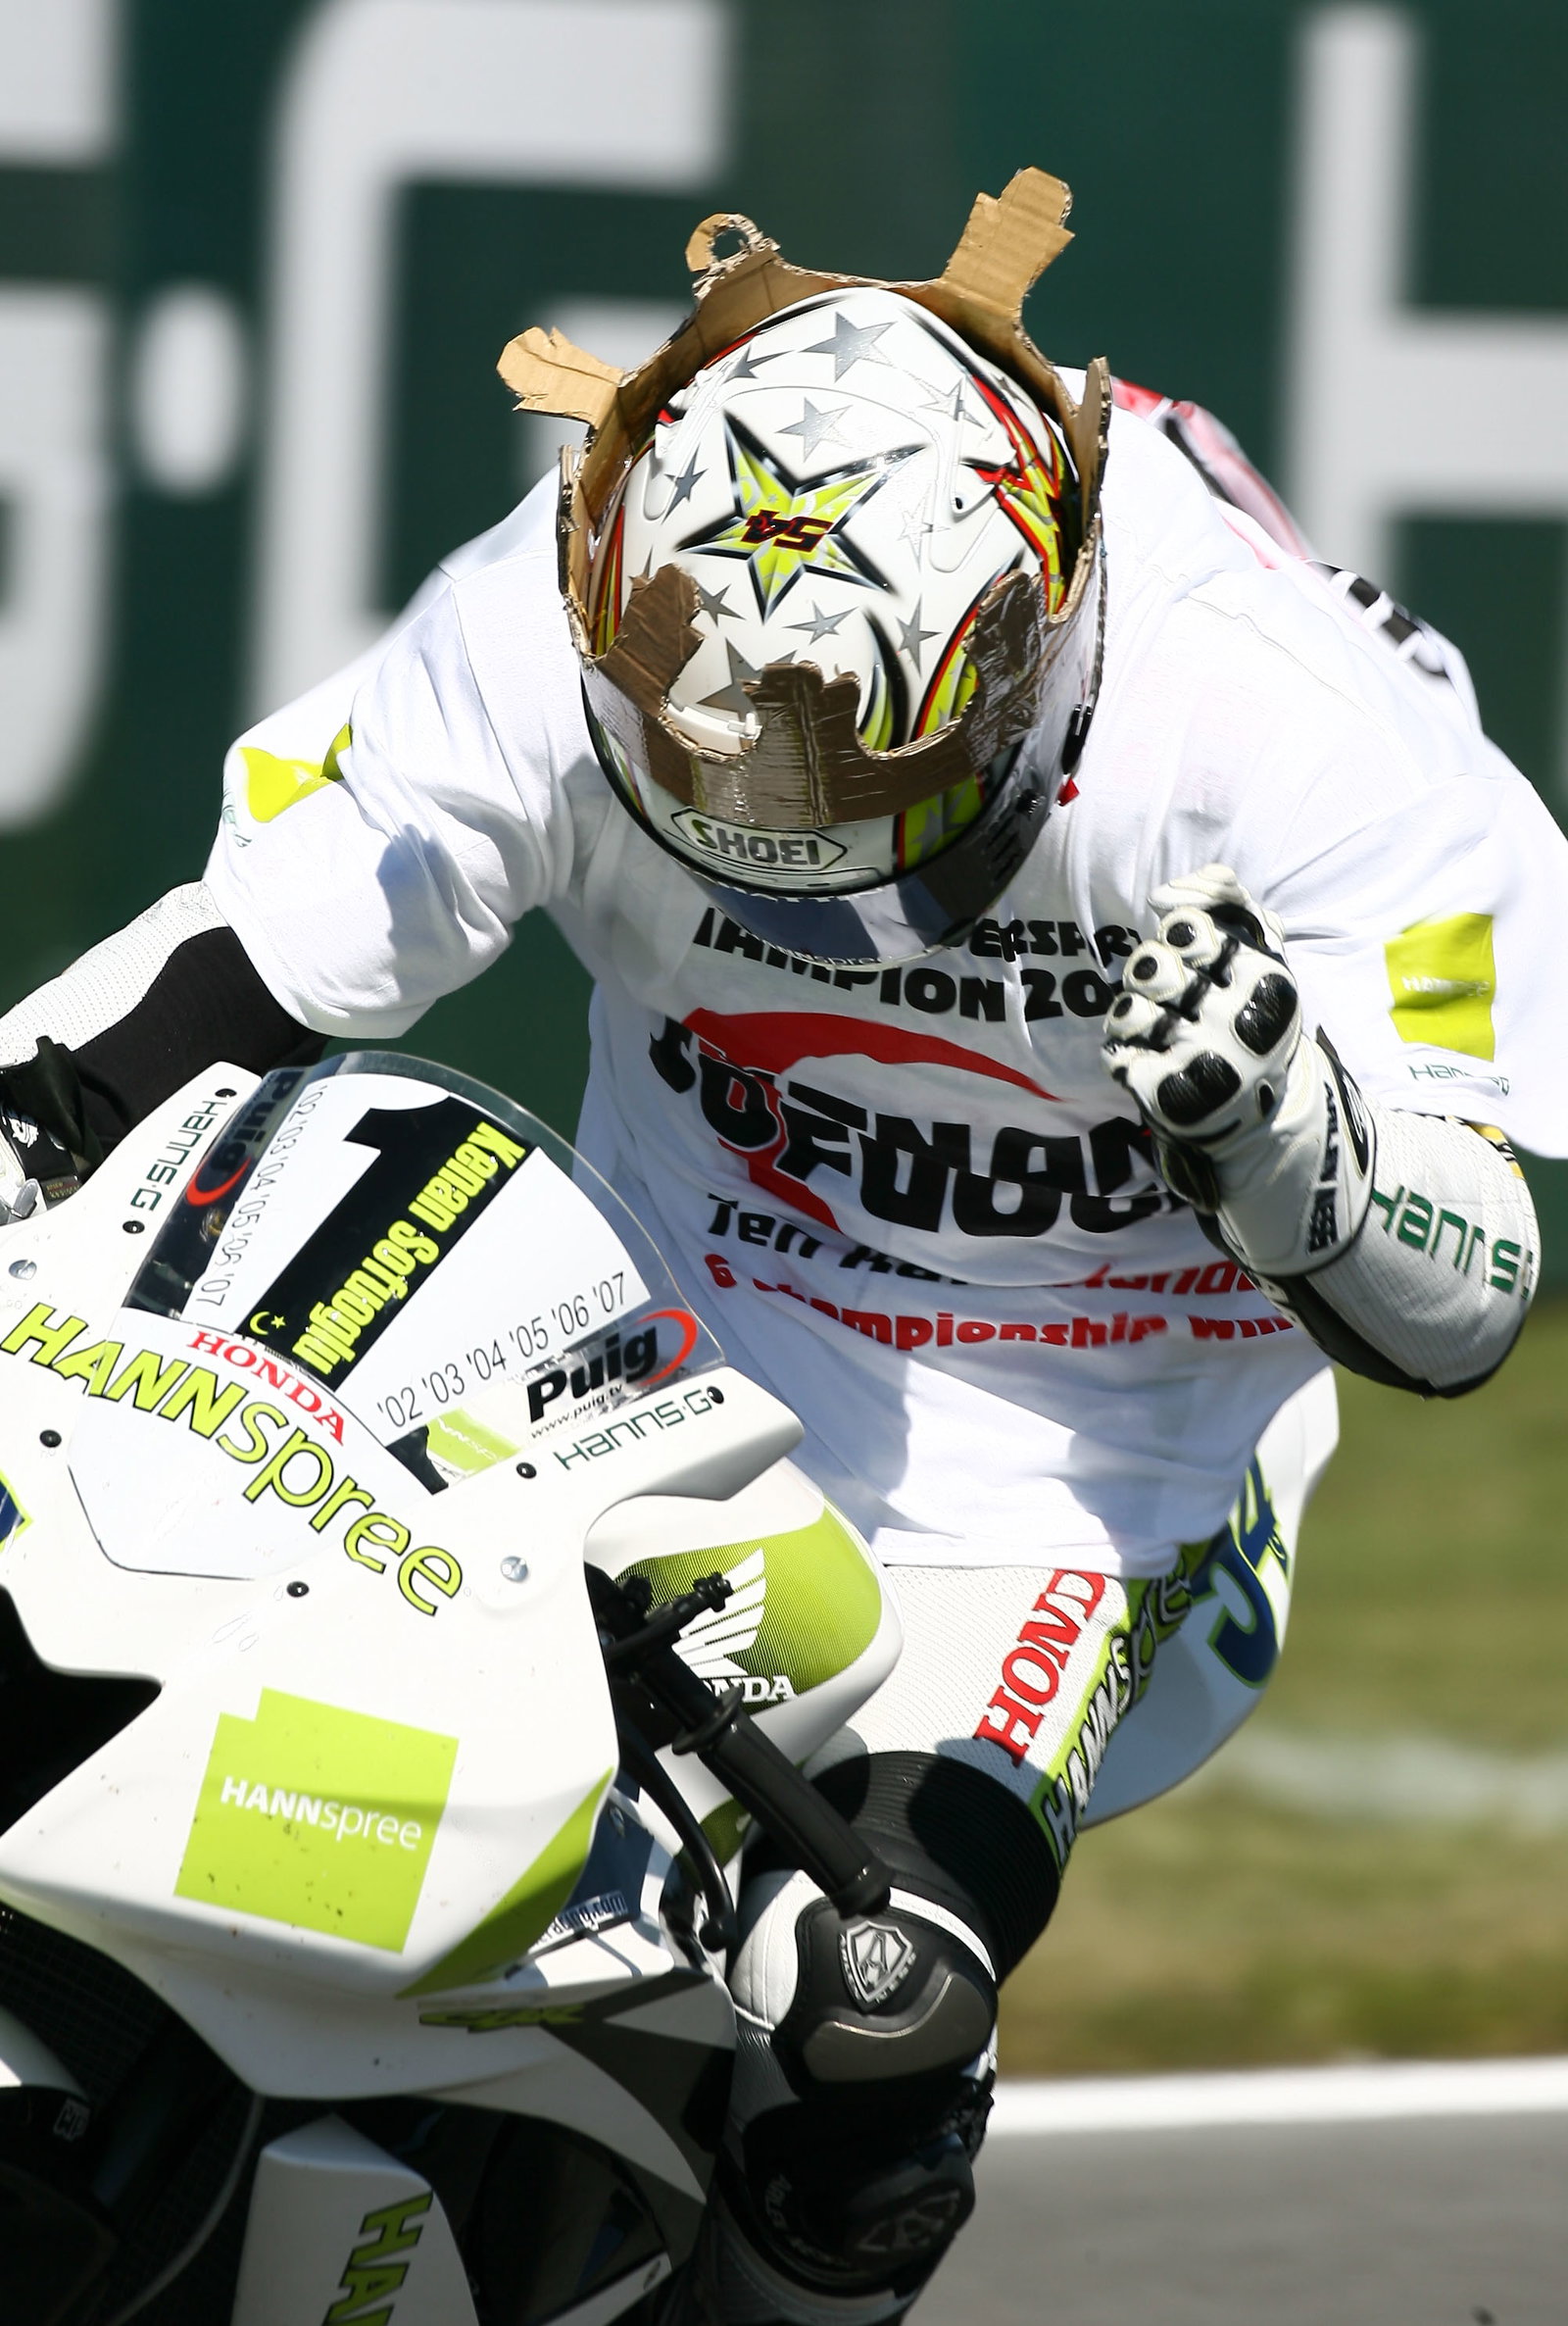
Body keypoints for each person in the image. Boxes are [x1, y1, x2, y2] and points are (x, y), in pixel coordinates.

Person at [0, 169, 1558, 2322]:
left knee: (867, 2028)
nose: (784, 849)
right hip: (637, 1326)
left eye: (858, 785)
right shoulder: (572, 604)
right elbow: (210, 980)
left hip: (1071, 1472)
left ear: (1029, 653)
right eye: (713, 773)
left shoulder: (1296, 731)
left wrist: (1292, 1136)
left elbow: (1466, 1294)